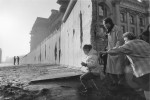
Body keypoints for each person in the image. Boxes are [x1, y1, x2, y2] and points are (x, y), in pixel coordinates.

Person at [100, 32, 150, 100]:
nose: (124, 42)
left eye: (125, 40)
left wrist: (106, 52)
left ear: (127, 38)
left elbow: (117, 50)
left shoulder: (129, 44)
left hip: (144, 72)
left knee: (147, 90)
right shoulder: (145, 43)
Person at [102, 17, 125, 86]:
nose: (104, 26)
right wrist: (106, 50)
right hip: (110, 52)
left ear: (109, 23)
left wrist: (114, 49)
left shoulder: (117, 29)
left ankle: (120, 83)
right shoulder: (109, 30)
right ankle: (115, 82)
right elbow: (110, 42)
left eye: (105, 24)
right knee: (110, 70)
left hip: (117, 52)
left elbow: (120, 41)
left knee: (119, 70)